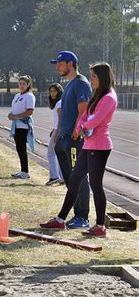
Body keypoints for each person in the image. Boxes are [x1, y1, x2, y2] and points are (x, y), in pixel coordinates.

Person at [40, 63, 117, 237]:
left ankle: (100, 226)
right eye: (90, 76)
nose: (91, 80)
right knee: (74, 181)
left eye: (94, 76)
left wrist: (83, 127)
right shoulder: (97, 94)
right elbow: (84, 115)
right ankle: (60, 220)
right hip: (89, 145)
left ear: (103, 77)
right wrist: (80, 125)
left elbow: (96, 119)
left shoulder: (109, 97)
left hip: (100, 147)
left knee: (96, 186)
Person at [51, 51, 91, 229]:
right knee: (69, 179)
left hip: (75, 139)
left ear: (70, 63)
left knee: (79, 178)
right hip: (65, 138)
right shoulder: (69, 84)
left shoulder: (81, 83)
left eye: (60, 64)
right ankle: (75, 213)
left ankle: (82, 216)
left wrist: (76, 133)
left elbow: (83, 111)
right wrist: (59, 136)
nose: (57, 67)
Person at [8, 75, 36, 179]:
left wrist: (15, 116)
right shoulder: (17, 96)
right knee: (19, 148)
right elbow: (16, 108)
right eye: (20, 83)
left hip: (23, 126)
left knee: (22, 148)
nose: (21, 85)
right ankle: (22, 170)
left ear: (28, 84)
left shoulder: (29, 96)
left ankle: (25, 172)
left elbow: (29, 111)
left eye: (24, 84)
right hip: (16, 125)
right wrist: (11, 115)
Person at [46, 83, 64, 186]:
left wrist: (57, 133)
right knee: (59, 154)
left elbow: (61, 120)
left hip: (59, 131)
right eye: (51, 91)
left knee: (50, 153)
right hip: (57, 130)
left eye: (54, 91)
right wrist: (53, 130)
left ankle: (54, 176)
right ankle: (62, 177)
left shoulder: (59, 103)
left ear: (59, 92)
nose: (52, 93)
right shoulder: (58, 103)